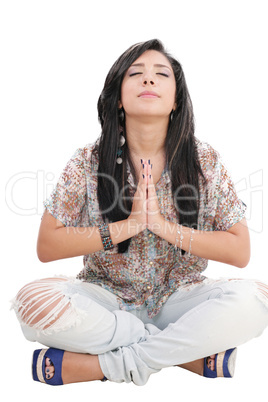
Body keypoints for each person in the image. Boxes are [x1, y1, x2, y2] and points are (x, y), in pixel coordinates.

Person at [12, 39, 268, 386]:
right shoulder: (87, 160)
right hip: (107, 300)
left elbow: (240, 251)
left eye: (161, 74)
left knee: (256, 301)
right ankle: (183, 354)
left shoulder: (203, 160)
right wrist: (128, 226)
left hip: (180, 299)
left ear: (176, 99)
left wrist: (162, 226)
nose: (149, 80)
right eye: (136, 73)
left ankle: (110, 364)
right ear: (118, 97)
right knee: (32, 305)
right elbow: (47, 246)